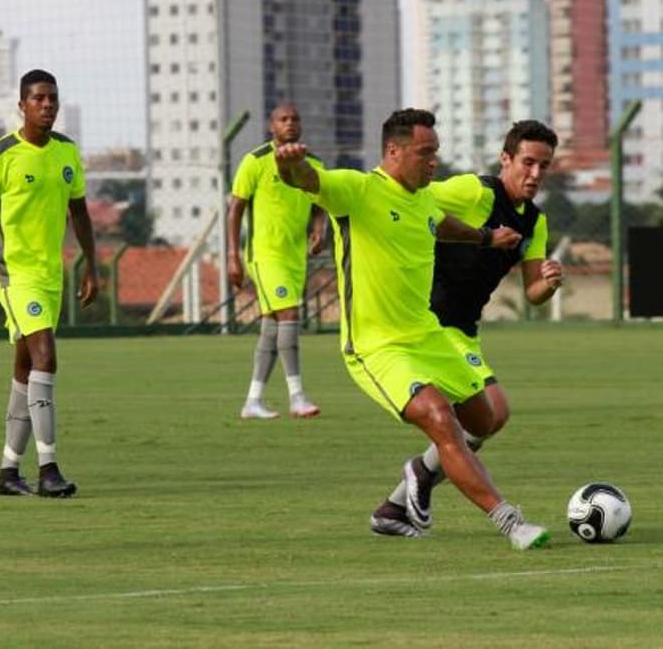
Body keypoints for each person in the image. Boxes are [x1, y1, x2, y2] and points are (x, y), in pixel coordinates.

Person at [275, 108, 550, 550]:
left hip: (428, 334)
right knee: (441, 420)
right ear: (393, 151)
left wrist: (486, 238)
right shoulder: (357, 190)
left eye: (435, 152)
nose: (434, 161)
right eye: (425, 152)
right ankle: (511, 523)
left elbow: (441, 224)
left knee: (484, 419)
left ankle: (397, 504)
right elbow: (306, 180)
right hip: (378, 346)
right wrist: (290, 164)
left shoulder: (423, 199)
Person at [372, 120, 564, 537]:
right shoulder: (475, 192)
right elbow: (415, 196)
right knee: (490, 413)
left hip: (464, 328)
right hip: (432, 320)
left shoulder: (535, 221)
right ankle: (423, 477)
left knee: (488, 420)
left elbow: (532, 292)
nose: (535, 174)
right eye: (528, 162)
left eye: (544, 166)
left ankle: (397, 503)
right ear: (505, 159)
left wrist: (548, 283)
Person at [0, 69, 96, 499]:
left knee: (26, 369)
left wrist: (91, 266)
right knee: (46, 356)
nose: (47, 105)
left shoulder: (67, 152)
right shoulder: (0, 155)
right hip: (13, 273)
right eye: (38, 98)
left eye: (52, 99)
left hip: (50, 275)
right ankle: (48, 469)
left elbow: (80, 212)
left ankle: (8, 472)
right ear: (22, 105)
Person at [228, 102, 326, 420]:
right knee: (289, 314)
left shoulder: (314, 163)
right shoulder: (255, 161)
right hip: (264, 255)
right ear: (272, 126)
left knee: (272, 326)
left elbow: (321, 201)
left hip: (295, 256)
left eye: (295, 119)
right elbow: (235, 209)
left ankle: (252, 401)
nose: (290, 123)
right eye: (283, 119)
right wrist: (232, 256)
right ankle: (297, 396)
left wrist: (319, 229)